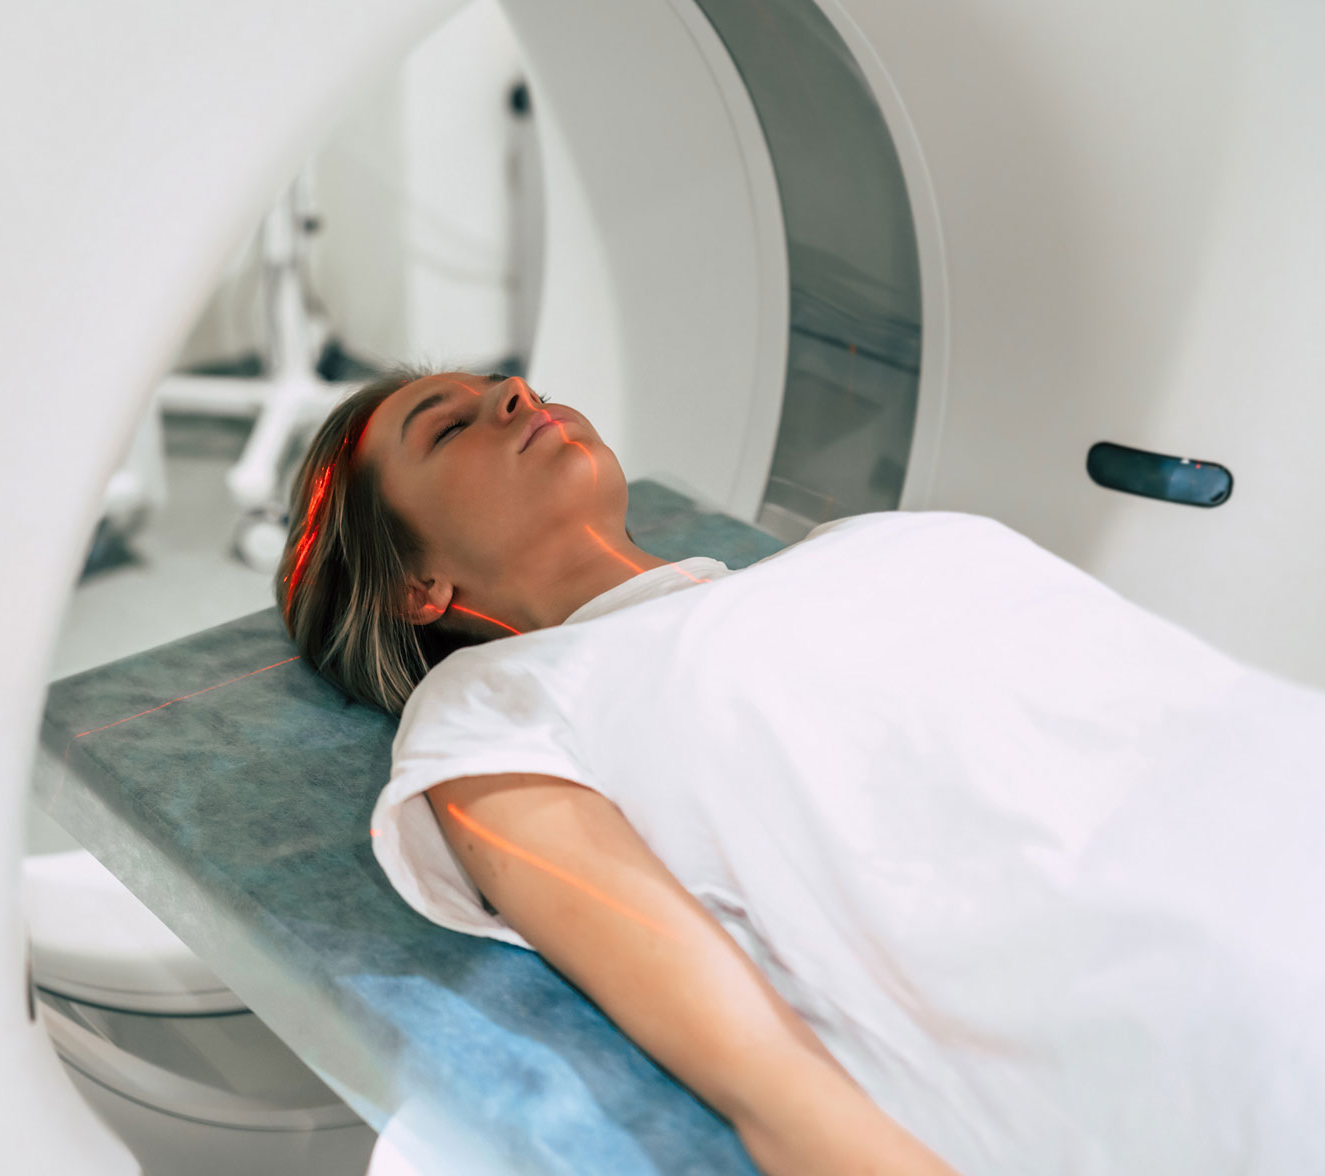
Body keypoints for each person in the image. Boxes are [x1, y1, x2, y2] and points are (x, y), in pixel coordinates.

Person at [273, 368, 1325, 1175]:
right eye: (448, 426)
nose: (514, 391)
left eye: (512, 387)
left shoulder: (867, 544)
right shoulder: (500, 704)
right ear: (418, 586)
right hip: (1204, 974)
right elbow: (754, 1068)